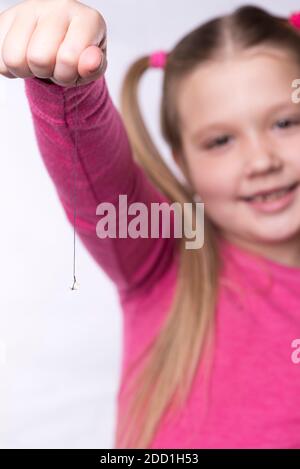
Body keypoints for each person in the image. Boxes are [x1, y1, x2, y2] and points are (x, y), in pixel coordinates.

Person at [1, 0, 300, 448]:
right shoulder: (163, 254)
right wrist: (67, 84)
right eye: (220, 141)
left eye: (285, 122)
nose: (261, 161)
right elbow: (98, 179)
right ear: (182, 161)